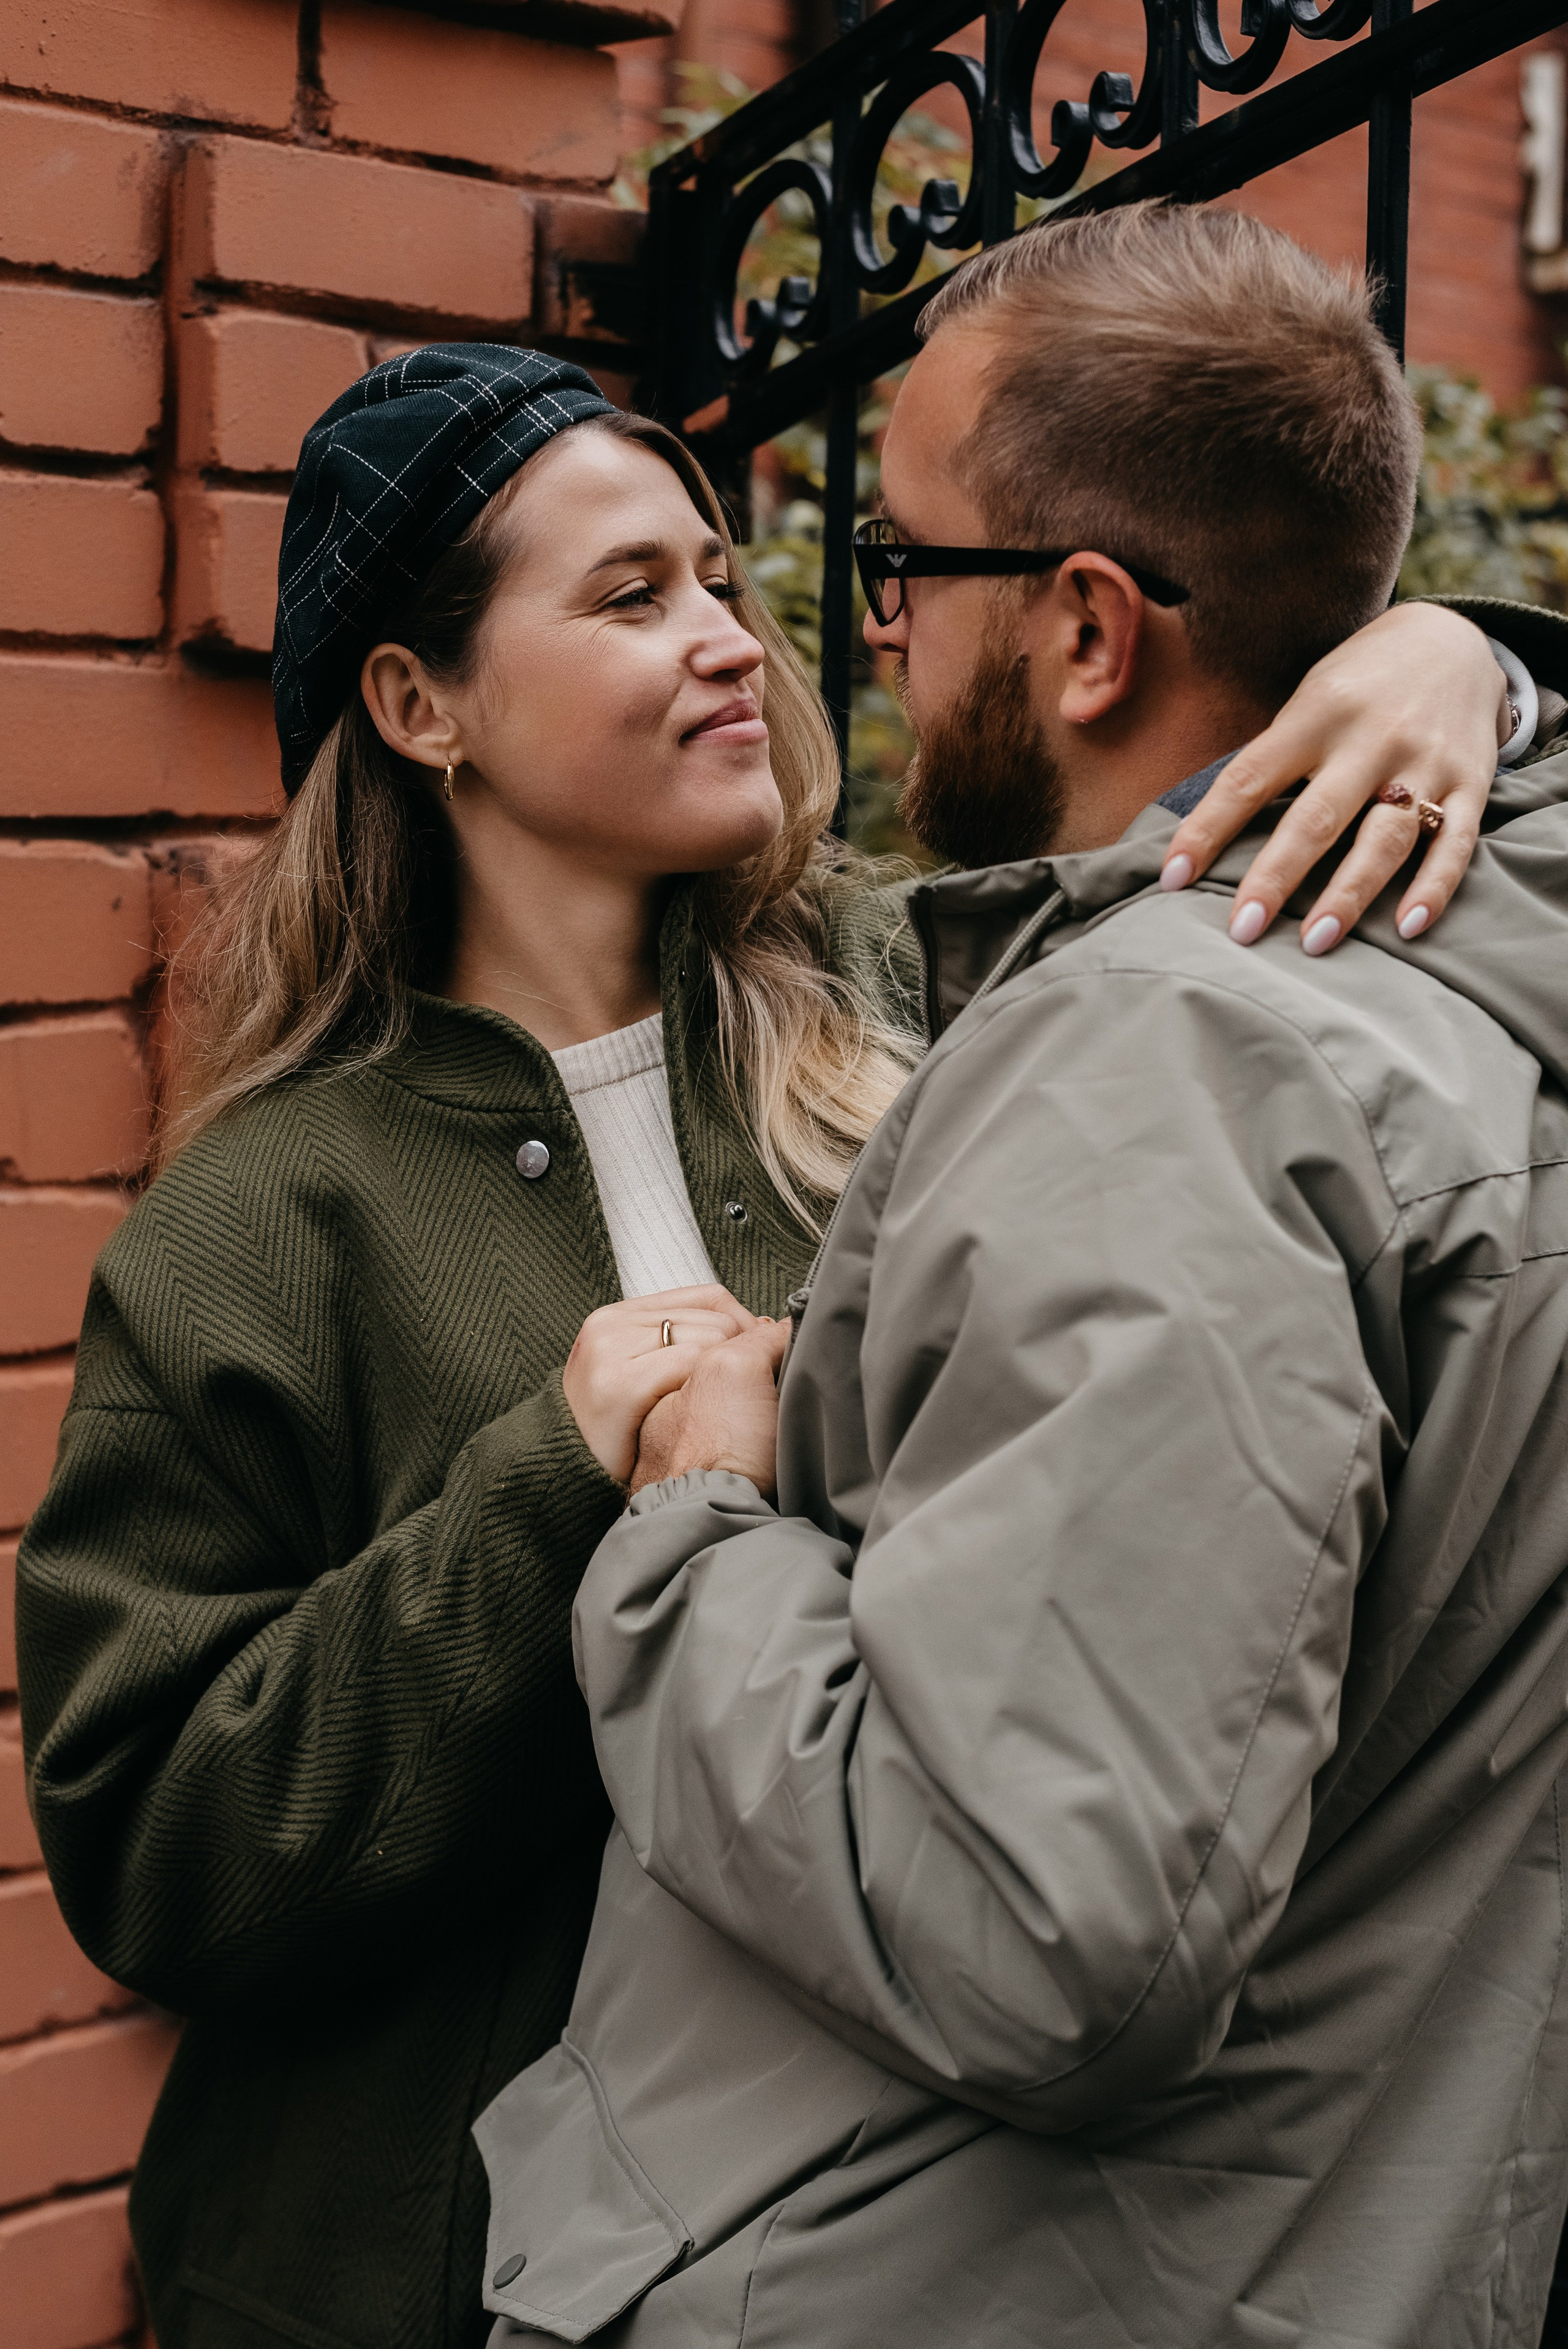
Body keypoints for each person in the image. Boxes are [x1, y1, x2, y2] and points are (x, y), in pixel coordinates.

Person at [9, 338, 1538, 2349]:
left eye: (722, 578)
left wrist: (1459, 651)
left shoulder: (946, 998)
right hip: (397, 2270)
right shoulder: (264, 1217)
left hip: (832, 2249)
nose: (735, 638)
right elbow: (153, 1848)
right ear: (419, 701)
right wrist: (561, 1483)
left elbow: (1252, 806)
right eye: (634, 596)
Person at [475, 211, 1568, 2349]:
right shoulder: (1489, 988)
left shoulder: (1179, 1052)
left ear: (1083, 630)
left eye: (894, 563)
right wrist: (1494, 655)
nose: (844, 636)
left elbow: (1043, 1930)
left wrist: (698, 1512)